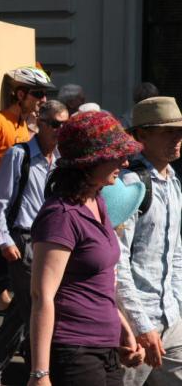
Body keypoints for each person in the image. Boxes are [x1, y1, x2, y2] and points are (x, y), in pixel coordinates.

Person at [29, 111, 145, 386]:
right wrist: (39, 373)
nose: (125, 162)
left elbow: (99, 281)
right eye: (117, 155)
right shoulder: (61, 214)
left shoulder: (98, 202)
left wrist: (123, 329)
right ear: (89, 161)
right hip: (74, 349)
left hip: (106, 348)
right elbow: (41, 296)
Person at [0, 100, 67, 384]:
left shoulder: (61, 158)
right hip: (24, 239)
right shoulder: (18, 155)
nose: (61, 130)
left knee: (22, 313)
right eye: (56, 124)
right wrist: (5, 240)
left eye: (65, 125)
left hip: (54, 241)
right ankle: (41, 371)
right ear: (40, 123)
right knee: (37, 308)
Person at [116, 96, 182, 385]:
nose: (177, 138)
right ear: (142, 134)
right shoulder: (131, 183)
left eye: (179, 131)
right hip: (134, 323)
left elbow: (175, 252)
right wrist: (140, 325)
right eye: (167, 131)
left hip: (171, 318)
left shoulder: (174, 181)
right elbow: (117, 263)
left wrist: (177, 306)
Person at [0, 66, 55, 311]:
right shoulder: (0, 120)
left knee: (5, 286)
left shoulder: (24, 126)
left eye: (45, 94)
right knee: (9, 288)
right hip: (0, 217)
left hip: (19, 220)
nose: (43, 100)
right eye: (38, 93)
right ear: (20, 94)